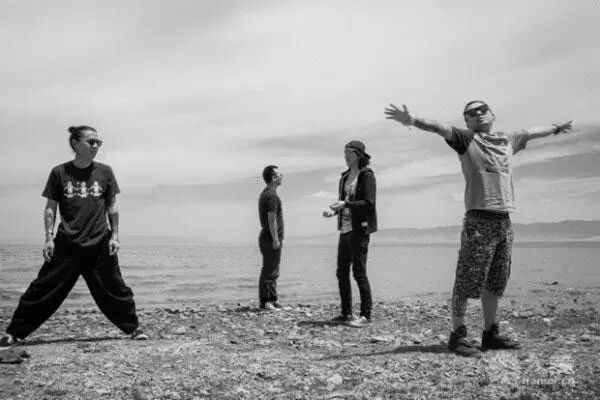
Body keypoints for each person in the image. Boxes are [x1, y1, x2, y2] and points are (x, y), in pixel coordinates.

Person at [384, 101, 573, 356]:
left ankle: (490, 334)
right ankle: (457, 335)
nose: (478, 114)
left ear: (493, 114)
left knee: (496, 281)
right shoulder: (466, 139)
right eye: (471, 113)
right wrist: (412, 120)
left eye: (483, 109)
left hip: (504, 222)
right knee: (465, 280)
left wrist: (556, 128)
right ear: (467, 121)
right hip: (478, 222)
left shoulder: (508, 140)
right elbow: (439, 127)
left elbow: (532, 131)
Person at [0, 126, 147, 347]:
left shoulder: (105, 172)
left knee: (114, 288)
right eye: (91, 142)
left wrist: (115, 236)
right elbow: (51, 208)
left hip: (99, 241)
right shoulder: (59, 173)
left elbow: (112, 206)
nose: (96, 146)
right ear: (76, 144)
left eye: (98, 142)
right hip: (67, 244)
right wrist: (48, 238)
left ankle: (134, 328)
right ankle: (14, 333)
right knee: (43, 288)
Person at [323, 141, 377, 327]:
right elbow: (343, 202)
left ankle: (365, 315)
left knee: (359, 273)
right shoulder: (345, 177)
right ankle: (346, 313)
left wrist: (345, 205)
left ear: (358, 155)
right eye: (344, 152)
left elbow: (369, 203)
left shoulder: (367, 175)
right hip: (345, 230)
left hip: (359, 230)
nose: (345, 156)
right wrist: (334, 212)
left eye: (349, 152)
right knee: (341, 272)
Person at [257, 165, 284, 310]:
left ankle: (273, 300)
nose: (281, 177)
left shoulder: (267, 193)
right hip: (270, 238)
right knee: (269, 271)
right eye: (279, 175)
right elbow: (271, 218)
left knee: (273, 270)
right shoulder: (272, 196)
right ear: (273, 178)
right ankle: (266, 301)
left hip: (268, 237)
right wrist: (275, 239)